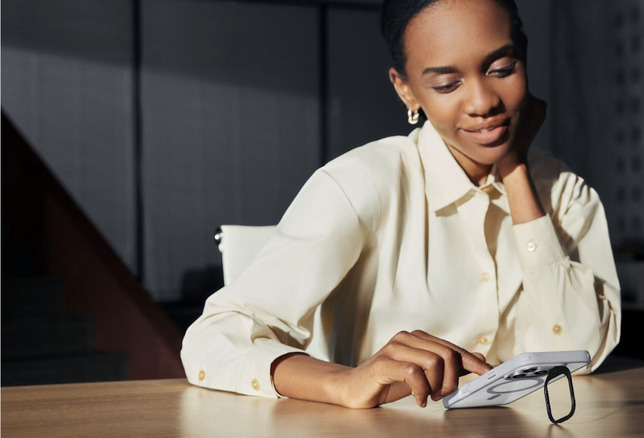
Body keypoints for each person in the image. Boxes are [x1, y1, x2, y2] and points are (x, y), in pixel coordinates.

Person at [181, 0, 621, 409]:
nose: (484, 102)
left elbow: (583, 353)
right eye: (447, 84)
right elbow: (211, 339)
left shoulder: (565, 194)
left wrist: (515, 170)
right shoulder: (360, 184)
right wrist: (346, 382)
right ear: (407, 90)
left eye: (502, 68)